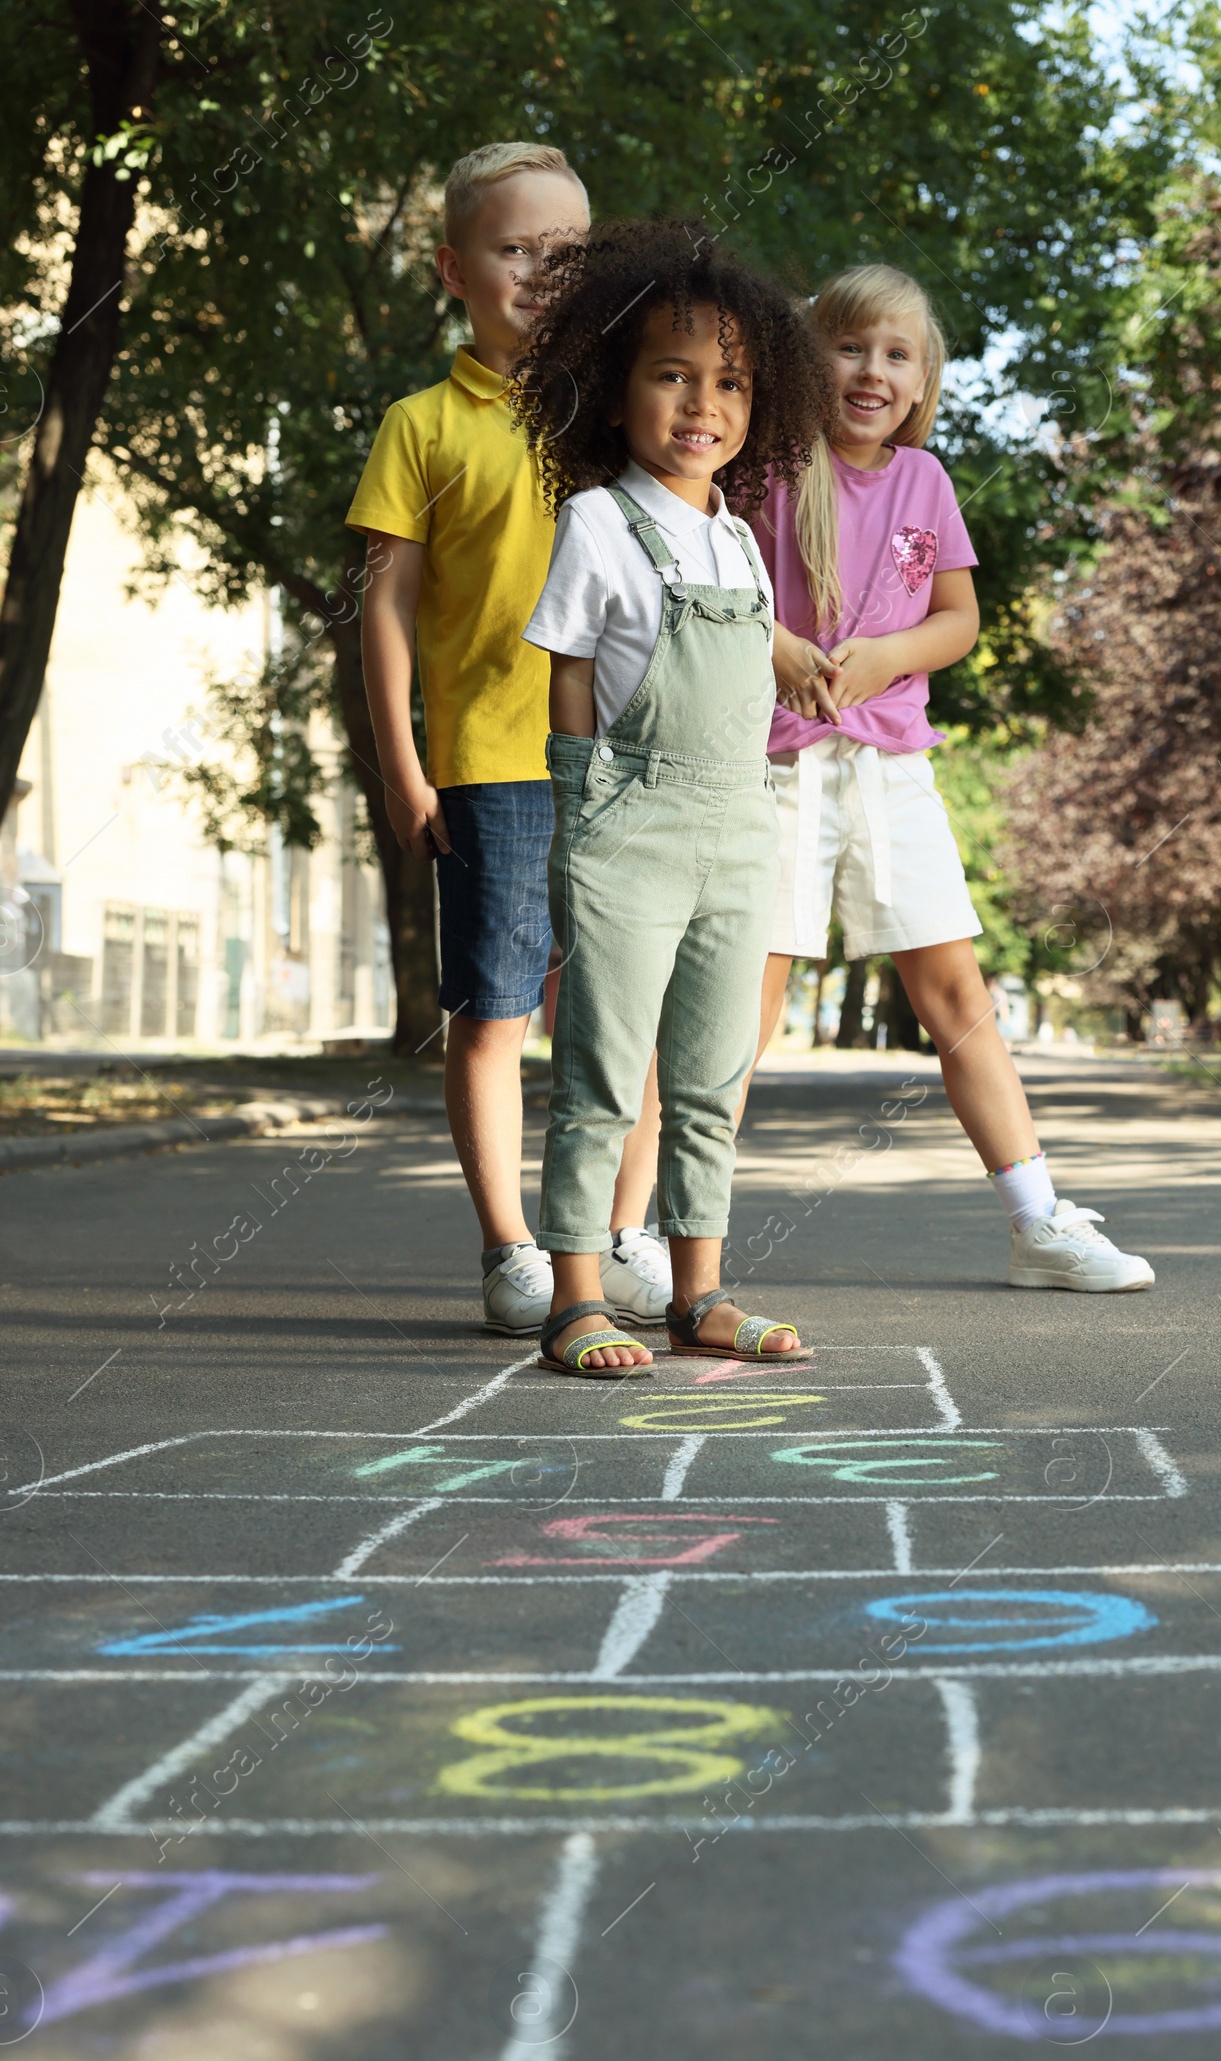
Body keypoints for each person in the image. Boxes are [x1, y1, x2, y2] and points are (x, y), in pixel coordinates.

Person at [749, 265, 1155, 1294]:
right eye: (848, 347)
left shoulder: (926, 481)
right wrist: (789, 651)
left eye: (895, 355)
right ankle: (659, 1228)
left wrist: (888, 656)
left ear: (923, 379)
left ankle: (1037, 1220)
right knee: (742, 1007)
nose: (870, 370)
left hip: (891, 772)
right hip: (777, 768)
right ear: (810, 360)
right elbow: (723, 603)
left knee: (955, 994)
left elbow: (957, 618)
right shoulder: (764, 470)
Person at [347, 142, 674, 1338]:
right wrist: (402, 762)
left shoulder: (628, 411)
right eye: (514, 248)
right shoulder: (422, 425)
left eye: (567, 254)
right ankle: (511, 1246)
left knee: (622, 1013)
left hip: (632, 766)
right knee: (495, 1013)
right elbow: (386, 602)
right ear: (453, 268)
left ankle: (622, 1228)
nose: (542, 270)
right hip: (490, 762)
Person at [514, 221, 834, 1374]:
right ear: (612, 392)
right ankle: (574, 1295)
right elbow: (566, 667)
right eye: (672, 374)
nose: (703, 403)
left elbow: (748, 653)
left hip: (737, 829)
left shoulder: (741, 541)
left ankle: (699, 1291)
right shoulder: (599, 520)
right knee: (603, 1071)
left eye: (731, 383)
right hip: (628, 822)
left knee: (710, 1078)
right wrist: (581, 801)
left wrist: (797, 657)